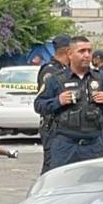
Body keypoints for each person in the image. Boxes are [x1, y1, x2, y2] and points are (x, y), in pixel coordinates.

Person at [34, 37, 103, 171]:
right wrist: (58, 101)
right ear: (70, 53)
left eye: (89, 51)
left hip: (93, 145)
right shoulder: (56, 79)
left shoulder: (100, 78)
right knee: (61, 185)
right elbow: (38, 105)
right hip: (65, 145)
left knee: (92, 186)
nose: (87, 55)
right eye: (82, 51)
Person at [37, 35, 71, 172]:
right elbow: (42, 103)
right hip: (52, 126)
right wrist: (59, 101)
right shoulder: (50, 72)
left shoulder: (65, 70)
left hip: (64, 127)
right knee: (51, 168)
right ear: (68, 51)